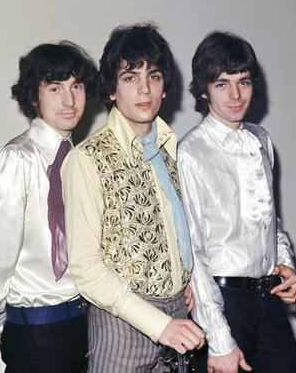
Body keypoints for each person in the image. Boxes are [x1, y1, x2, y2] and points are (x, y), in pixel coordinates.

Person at [61, 23, 205, 372]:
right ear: (111, 89)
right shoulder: (87, 158)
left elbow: (182, 232)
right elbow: (86, 268)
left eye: (153, 76)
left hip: (179, 315)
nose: (144, 89)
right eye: (130, 77)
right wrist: (160, 325)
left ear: (164, 87)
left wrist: (186, 280)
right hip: (121, 325)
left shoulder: (174, 151)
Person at [0, 41, 98, 373]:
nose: (69, 100)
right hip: (37, 332)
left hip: (86, 325)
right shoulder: (17, 159)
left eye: (76, 86)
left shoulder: (83, 160)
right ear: (33, 97)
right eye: (55, 88)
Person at [178, 31, 296, 373]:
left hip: (268, 297)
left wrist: (285, 263)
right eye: (222, 84)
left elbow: (270, 219)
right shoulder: (191, 153)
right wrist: (219, 339)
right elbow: (193, 253)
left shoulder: (261, 140)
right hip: (223, 303)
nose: (235, 95)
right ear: (204, 90)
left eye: (243, 82)